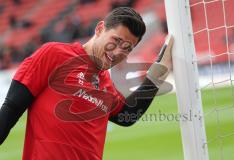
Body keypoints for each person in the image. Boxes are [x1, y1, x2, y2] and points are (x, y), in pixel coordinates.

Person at [0, 7, 173, 160]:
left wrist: (158, 72)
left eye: (128, 48)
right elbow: (11, 108)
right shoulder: (54, 54)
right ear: (99, 29)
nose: (120, 51)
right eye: (117, 40)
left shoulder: (105, 83)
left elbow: (127, 115)